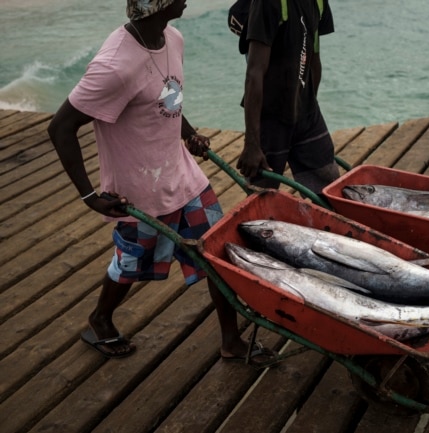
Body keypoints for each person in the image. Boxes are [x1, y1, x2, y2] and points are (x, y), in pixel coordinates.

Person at [48, 0, 274, 364]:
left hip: (184, 176)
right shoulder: (114, 66)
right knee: (130, 264)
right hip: (137, 191)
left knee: (220, 253)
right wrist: (90, 196)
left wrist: (189, 133)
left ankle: (231, 341)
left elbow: (165, 97)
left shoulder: (173, 38)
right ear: (156, 5)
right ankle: (100, 320)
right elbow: (60, 128)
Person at [236, 0, 340, 197]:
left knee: (328, 185)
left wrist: (309, 105)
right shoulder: (268, 3)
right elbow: (254, 74)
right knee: (262, 196)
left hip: (307, 112)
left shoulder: (318, 2)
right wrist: (252, 143)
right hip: (271, 120)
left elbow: (314, 58)